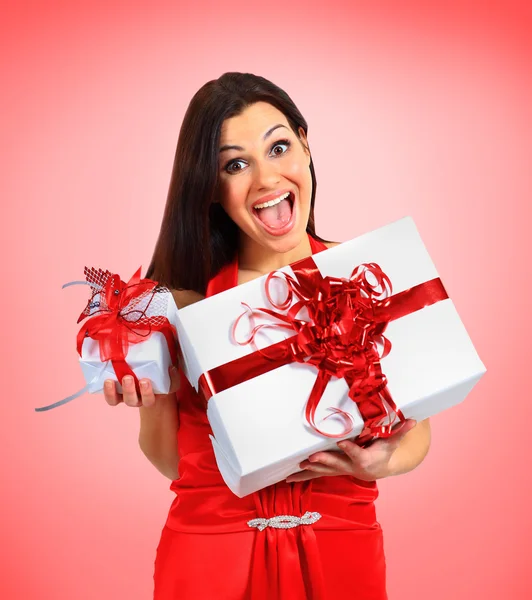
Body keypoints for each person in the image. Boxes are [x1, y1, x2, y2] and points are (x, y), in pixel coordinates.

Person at [103, 72, 431, 599]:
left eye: (278, 147)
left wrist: (384, 460)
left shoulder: (367, 276)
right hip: (210, 556)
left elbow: (417, 430)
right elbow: (169, 455)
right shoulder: (180, 300)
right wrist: (147, 395)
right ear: (212, 187)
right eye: (236, 164)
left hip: (342, 549)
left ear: (305, 143)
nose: (265, 179)